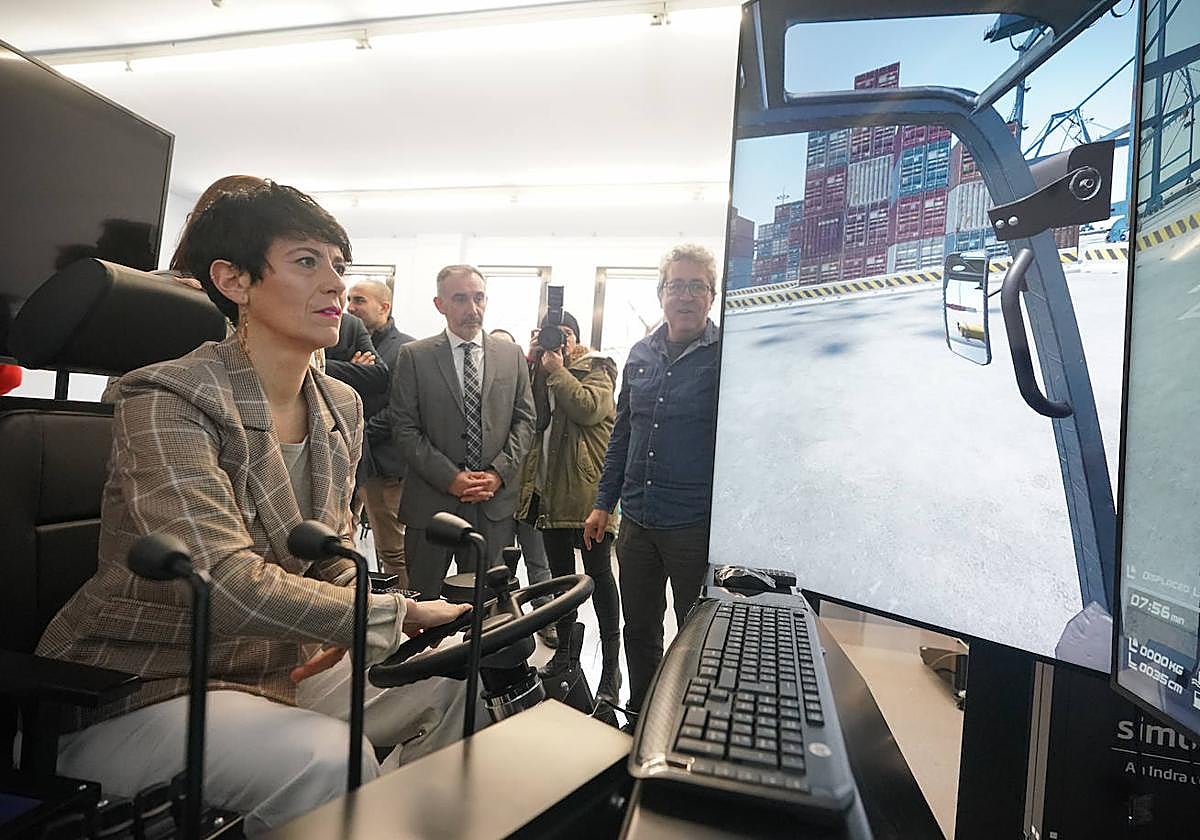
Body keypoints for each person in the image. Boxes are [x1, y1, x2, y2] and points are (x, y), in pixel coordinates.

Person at [36, 182, 471, 835]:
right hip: (144, 684)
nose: (333, 284)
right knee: (331, 762)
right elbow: (225, 584)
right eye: (306, 262)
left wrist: (369, 618)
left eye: (338, 265)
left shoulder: (339, 405)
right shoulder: (164, 395)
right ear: (233, 281)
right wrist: (393, 612)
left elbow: (332, 559)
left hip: (271, 665)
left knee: (452, 675)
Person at [584, 243, 721, 714]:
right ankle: (643, 713)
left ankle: (687, 720)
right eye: (676, 286)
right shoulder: (640, 353)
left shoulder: (726, 357)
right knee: (639, 629)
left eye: (696, 286)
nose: (685, 296)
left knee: (695, 633)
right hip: (637, 522)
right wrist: (604, 502)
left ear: (712, 296)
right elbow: (622, 434)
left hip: (693, 525)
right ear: (661, 293)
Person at [388, 266, 536, 599]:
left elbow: (525, 420)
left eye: (479, 297)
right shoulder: (414, 357)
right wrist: (450, 478)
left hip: (492, 504)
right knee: (423, 606)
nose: (473, 308)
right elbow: (405, 428)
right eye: (460, 299)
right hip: (432, 503)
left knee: (487, 608)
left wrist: (497, 474)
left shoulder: (511, 356)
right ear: (440, 304)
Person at [517, 310, 623, 701]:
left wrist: (558, 370)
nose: (555, 341)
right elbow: (535, 417)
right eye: (548, 334)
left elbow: (587, 408)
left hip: (586, 494)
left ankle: (611, 671)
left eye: (562, 334)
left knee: (599, 580)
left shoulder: (599, 367)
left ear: (575, 337)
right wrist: (535, 367)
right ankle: (565, 655)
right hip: (547, 492)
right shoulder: (543, 368)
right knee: (561, 583)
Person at [489, 326, 556, 648]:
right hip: (497, 494)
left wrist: (537, 365)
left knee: (538, 563)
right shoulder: (485, 390)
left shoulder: (529, 380)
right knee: (497, 566)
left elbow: (538, 419)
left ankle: (545, 620)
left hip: (531, 494)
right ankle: (502, 624)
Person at [347, 280, 416, 585]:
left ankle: (406, 620)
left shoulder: (405, 350)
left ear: (384, 307)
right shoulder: (347, 345)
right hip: (349, 461)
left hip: (384, 465)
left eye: (359, 300)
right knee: (343, 544)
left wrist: (358, 433)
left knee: (392, 550)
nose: (350, 306)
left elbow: (400, 410)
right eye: (349, 299)